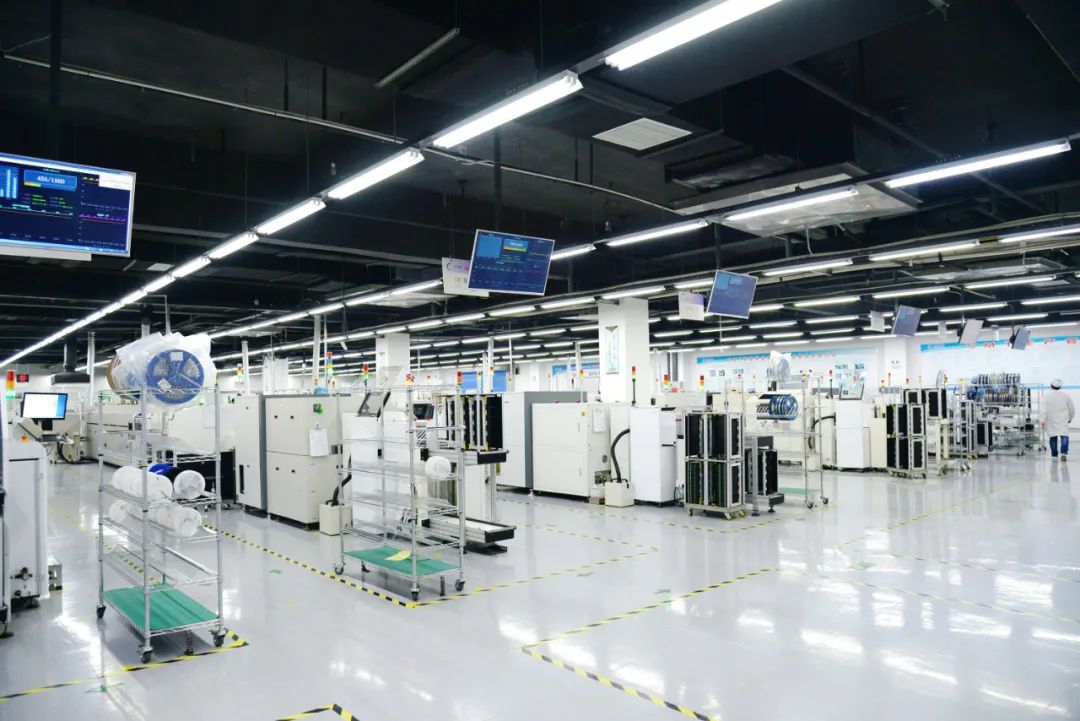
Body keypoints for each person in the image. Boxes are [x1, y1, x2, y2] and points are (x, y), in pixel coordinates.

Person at [1042, 378, 1075, 461]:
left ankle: (1054, 454)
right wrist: (1070, 418)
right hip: (1063, 419)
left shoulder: (1046, 396)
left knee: (1053, 437)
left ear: (1051, 385)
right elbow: (1071, 409)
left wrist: (1042, 420)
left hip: (1051, 419)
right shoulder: (1066, 396)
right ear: (1060, 387)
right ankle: (1063, 453)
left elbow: (1043, 409)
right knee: (1064, 435)